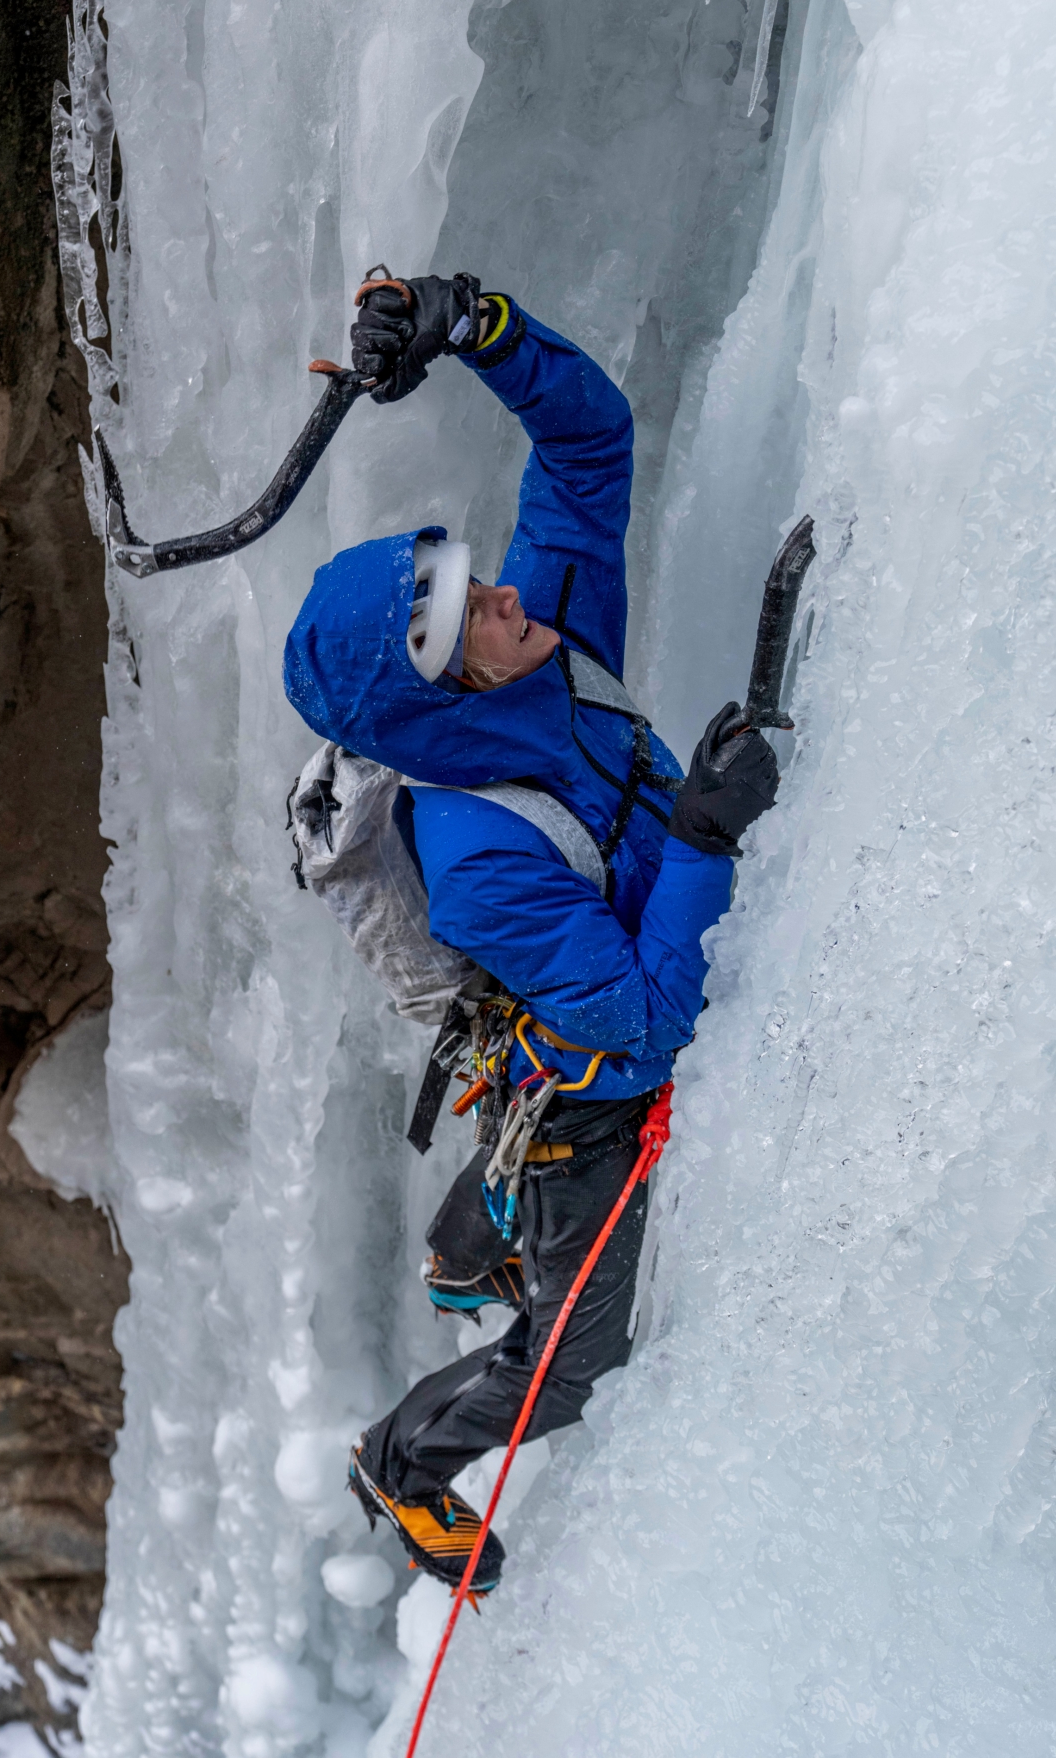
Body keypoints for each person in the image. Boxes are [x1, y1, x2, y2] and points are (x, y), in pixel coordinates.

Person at [283, 272, 779, 1593]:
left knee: (520, 1212)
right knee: (570, 1362)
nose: (506, 596)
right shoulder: (477, 858)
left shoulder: (548, 649)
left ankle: (469, 1245)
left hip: (582, 1007)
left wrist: (476, 326)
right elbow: (637, 1031)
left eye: (471, 582)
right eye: (468, 618)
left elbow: (584, 443)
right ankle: (399, 1460)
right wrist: (702, 840)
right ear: (435, 702)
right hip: (586, 1101)